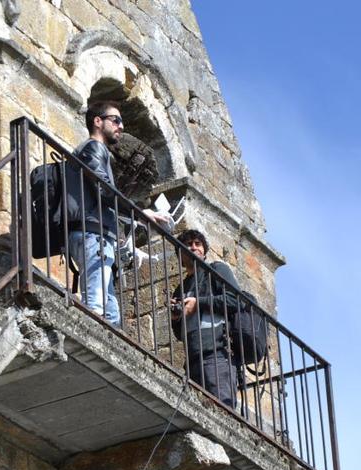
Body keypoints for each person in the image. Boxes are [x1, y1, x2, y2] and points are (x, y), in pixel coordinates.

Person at [66, 101, 168, 326]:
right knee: (97, 305)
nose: (121, 126)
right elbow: (104, 189)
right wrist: (141, 214)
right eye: (116, 120)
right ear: (98, 121)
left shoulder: (97, 152)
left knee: (111, 311)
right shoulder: (92, 148)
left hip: (97, 234)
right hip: (92, 233)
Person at [170, 229, 239, 407]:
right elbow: (180, 333)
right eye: (188, 244)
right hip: (192, 360)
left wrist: (198, 303)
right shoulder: (181, 288)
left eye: (197, 244)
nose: (193, 247)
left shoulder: (215, 270)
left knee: (224, 412)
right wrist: (177, 317)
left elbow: (235, 301)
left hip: (217, 355)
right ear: (180, 254)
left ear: (204, 249)